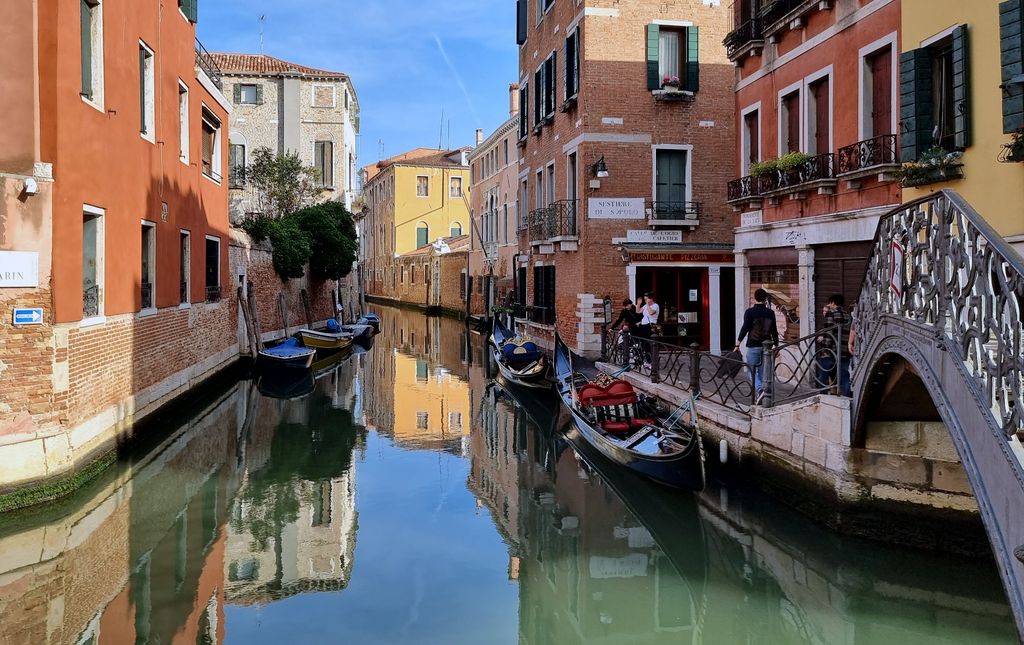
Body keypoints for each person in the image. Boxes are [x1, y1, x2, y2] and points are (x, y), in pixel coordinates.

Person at [735, 288, 780, 399]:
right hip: (767, 346)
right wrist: (777, 346)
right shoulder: (770, 313)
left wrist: (737, 344)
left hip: (753, 345)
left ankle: (760, 390)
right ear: (765, 299)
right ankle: (764, 396)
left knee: (751, 370)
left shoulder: (750, 312)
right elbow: (774, 331)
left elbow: (745, 328)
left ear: (755, 298)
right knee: (762, 373)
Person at [816, 294, 853, 397]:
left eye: (829, 303)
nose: (829, 305)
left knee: (824, 374)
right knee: (845, 375)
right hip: (845, 351)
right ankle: (846, 397)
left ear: (833, 303)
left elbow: (828, 334)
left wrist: (821, 342)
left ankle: (822, 396)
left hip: (832, 351)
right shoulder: (849, 316)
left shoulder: (831, 315)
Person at [636, 292, 660, 367]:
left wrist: (648, 305)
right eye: (645, 299)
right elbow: (638, 311)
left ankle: (651, 362)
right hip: (643, 326)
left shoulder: (655, 306)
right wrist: (639, 304)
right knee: (644, 344)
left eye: (647, 299)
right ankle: (647, 360)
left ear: (651, 298)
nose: (646, 301)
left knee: (649, 344)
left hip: (650, 326)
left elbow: (651, 313)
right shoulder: (646, 305)